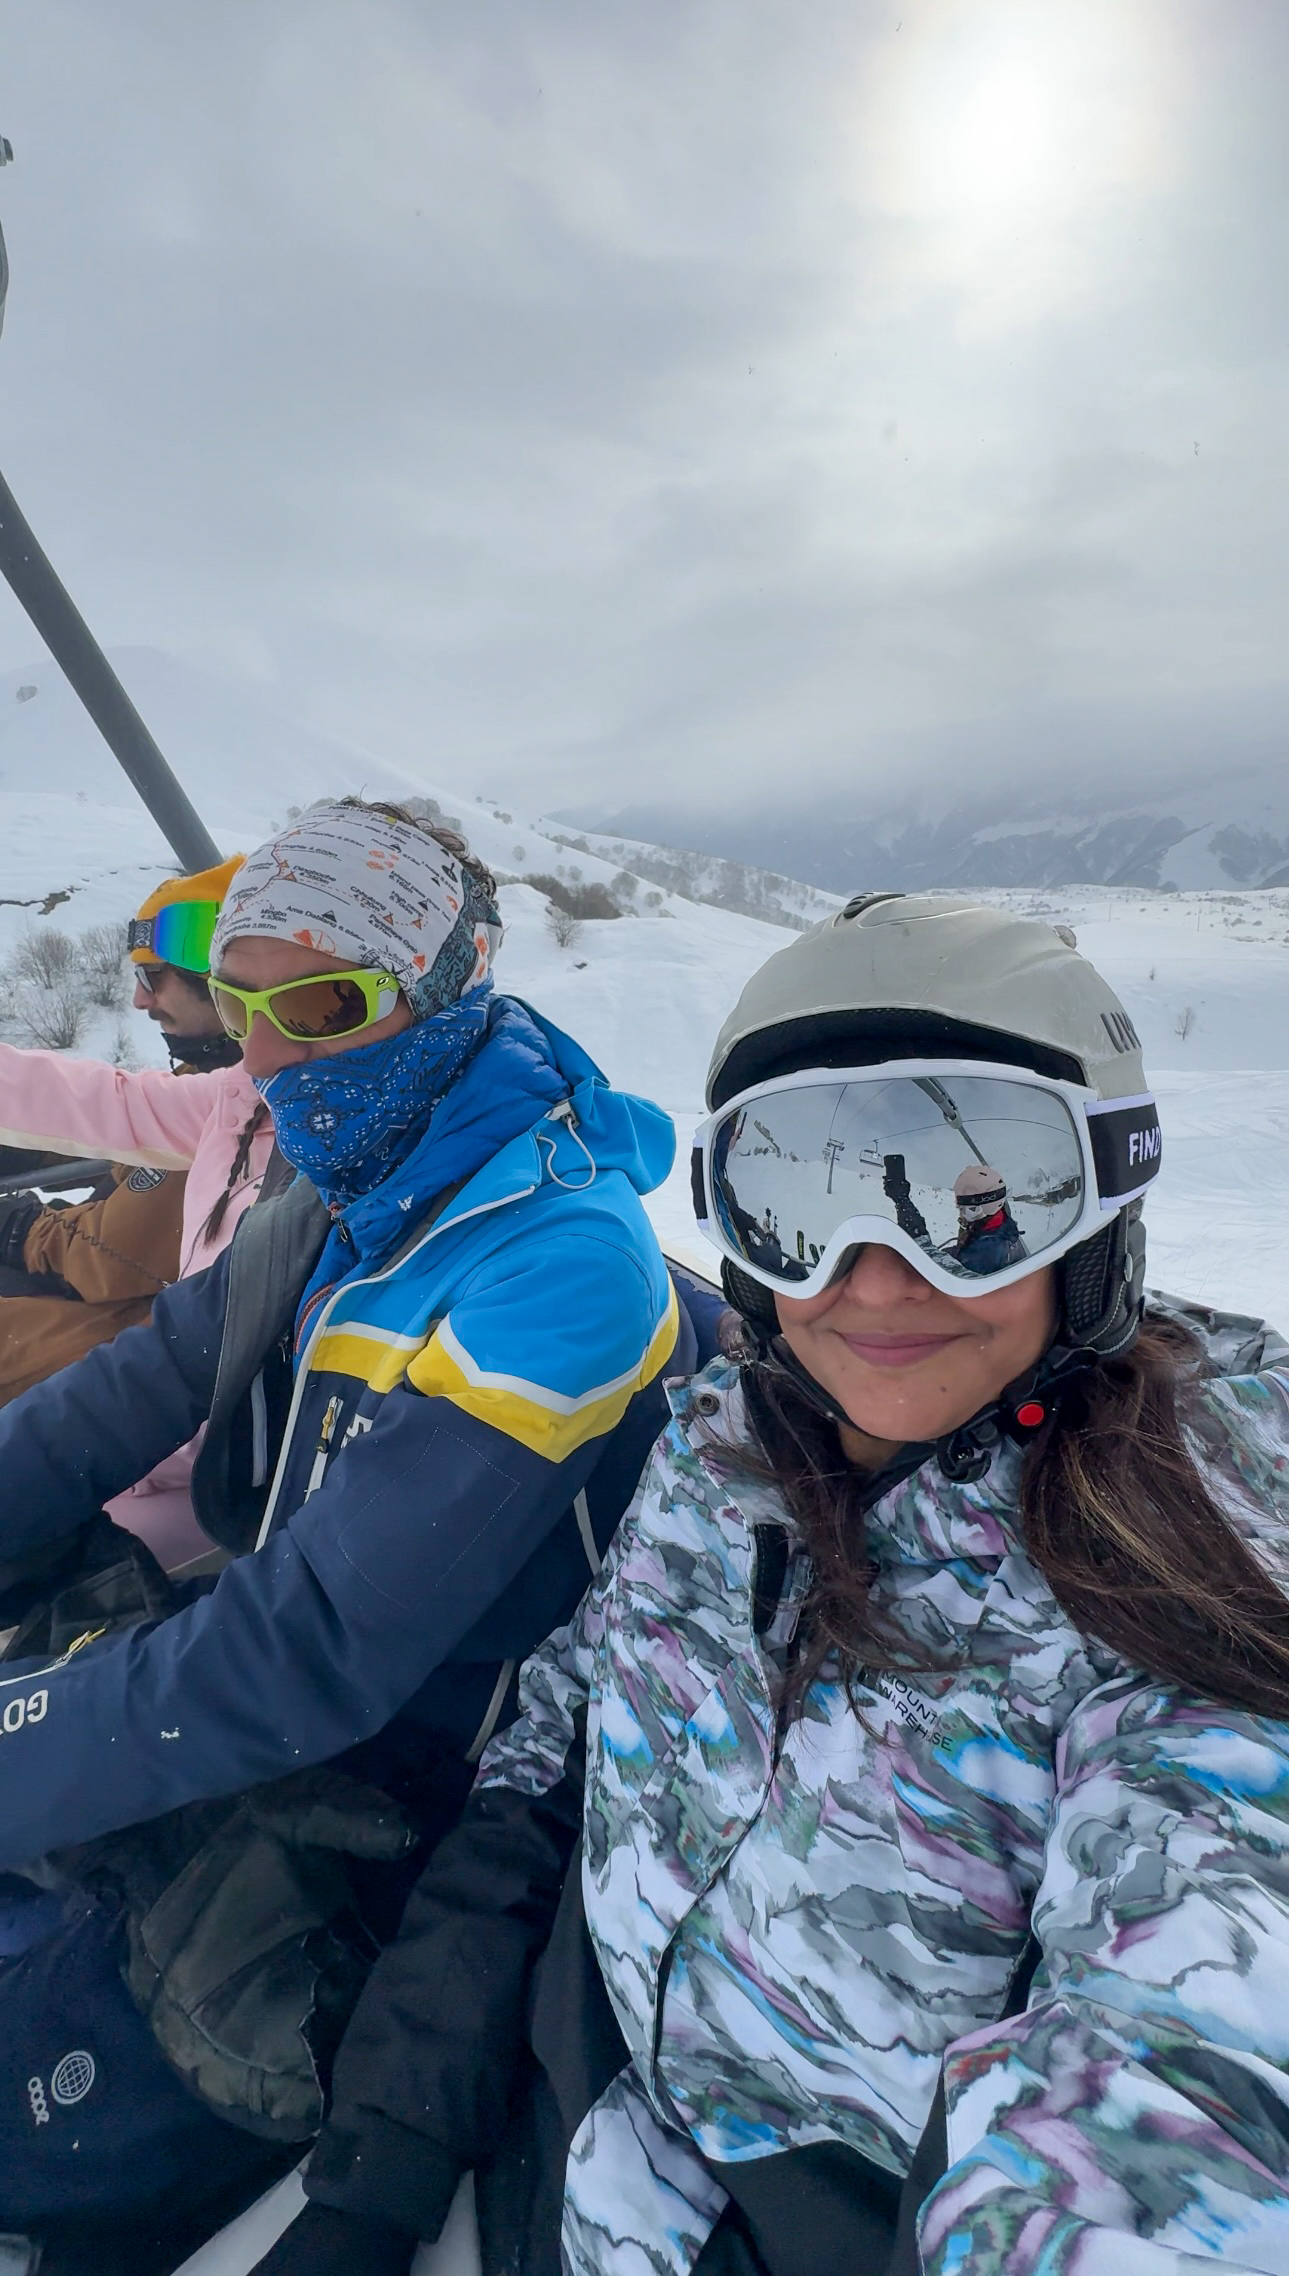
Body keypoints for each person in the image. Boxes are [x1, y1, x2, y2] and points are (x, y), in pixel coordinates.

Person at [259, 891, 1289, 2276]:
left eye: (977, 1203)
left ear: (1103, 1201)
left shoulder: (1193, 1558)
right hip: (577, 2151)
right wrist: (379, 2163)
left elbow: (1189, 2037)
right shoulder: (728, 1440)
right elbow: (556, 1750)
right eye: (797, 1197)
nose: (872, 1279)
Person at [0, 797, 689, 2261]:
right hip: (245, 1729)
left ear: (449, 988)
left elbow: (307, 1656)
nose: (259, 1056)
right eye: (239, 1003)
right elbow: (134, 1388)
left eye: (314, 1002)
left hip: (402, 1815)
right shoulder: (349, 1187)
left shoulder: (556, 1265)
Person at [0, 865, 251, 1450]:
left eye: (154, 978)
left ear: (217, 979)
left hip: (162, 1343)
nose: (140, 1000)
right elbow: (125, 1124)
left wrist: (23, 1229)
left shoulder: (244, 1107)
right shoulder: (214, 1082)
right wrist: (36, 1155)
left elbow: (112, 1262)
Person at [950, 1162, 1026, 1274]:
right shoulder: (1002, 1224)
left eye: (968, 1210)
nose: (962, 1216)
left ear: (985, 1208)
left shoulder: (988, 1250)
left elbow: (953, 1275)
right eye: (960, 1209)